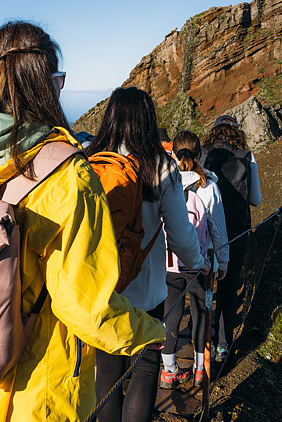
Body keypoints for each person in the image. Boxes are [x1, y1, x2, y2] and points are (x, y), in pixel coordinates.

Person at [0, 22, 166, 422]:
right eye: (58, 80)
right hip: (41, 386)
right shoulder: (69, 176)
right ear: (46, 85)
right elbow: (84, 306)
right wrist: (149, 331)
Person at [86, 87, 209, 422]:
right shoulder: (161, 166)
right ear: (147, 120)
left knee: (108, 374)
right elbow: (180, 234)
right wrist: (198, 264)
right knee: (144, 368)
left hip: (102, 287)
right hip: (148, 290)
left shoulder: (90, 160)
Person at [159, 130, 229, 389]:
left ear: (173, 153)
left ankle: (169, 370)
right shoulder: (208, 186)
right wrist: (223, 262)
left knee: (171, 313)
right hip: (202, 263)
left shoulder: (164, 182)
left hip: (169, 261)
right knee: (201, 313)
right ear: (200, 154)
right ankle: (201, 369)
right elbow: (218, 229)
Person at [199, 115, 261, 363]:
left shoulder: (202, 153)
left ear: (214, 132)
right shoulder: (247, 156)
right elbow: (255, 200)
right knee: (229, 286)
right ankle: (222, 345)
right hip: (236, 230)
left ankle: (201, 342)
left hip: (205, 230)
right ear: (237, 132)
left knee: (203, 285)